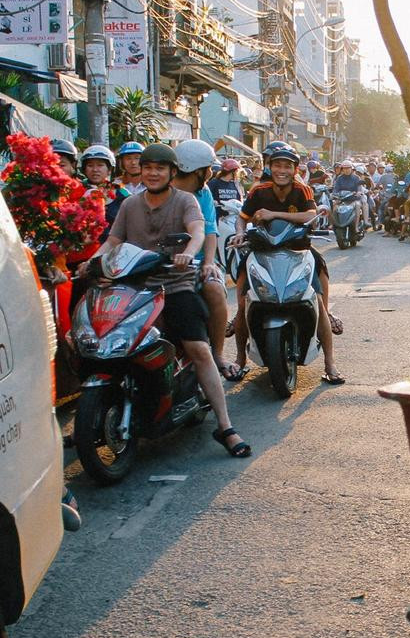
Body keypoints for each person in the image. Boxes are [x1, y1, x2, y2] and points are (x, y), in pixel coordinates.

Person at [83, 143, 250, 458]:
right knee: (99, 339)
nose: (153, 172)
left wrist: (190, 254)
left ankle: (225, 426)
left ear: (173, 172)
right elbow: (114, 240)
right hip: (133, 289)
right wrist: (92, 260)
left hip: (174, 287)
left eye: (160, 168)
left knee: (199, 350)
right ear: (139, 171)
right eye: (147, 167)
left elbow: (199, 230)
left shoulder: (186, 201)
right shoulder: (130, 205)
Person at [228, 141, 344, 384]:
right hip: (260, 253)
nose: (282, 170)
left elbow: (310, 216)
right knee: (242, 304)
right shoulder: (258, 191)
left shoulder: (302, 190)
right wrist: (239, 232)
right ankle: (239, 360)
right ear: (269, 166)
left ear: (295, 169)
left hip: (299, 251)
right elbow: (242, 218)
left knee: (320, 300)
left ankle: (330, 363)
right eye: (277, 165)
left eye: (287, 166)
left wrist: (274, 214)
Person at [169, 139, 241, 382]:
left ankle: (218, 354)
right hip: (163, 264)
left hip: (198, 260)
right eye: (209, 169)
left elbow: (210, 230)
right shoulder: (164, 189)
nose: (212, 173)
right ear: (197, 171)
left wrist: (209, 262)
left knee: (214, 288)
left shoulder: (204, 192)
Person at [79, 145, 127, 241]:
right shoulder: (76, 190)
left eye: (100, 165)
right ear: (84, 169)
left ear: (109, 169)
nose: (95, 169)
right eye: (90, 165)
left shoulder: (122, 194)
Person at [332, 160, 370, 226]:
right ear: (342, 169)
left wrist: (358, 192)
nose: (346, 170)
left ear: (351, 169)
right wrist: (335, 194)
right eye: (344, 168)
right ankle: (334, 223)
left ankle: (365, 221)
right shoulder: (339, 178)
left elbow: (359, 188)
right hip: (343, 199)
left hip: (354, 198)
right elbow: (335, 190)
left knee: (362, 203)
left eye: (348, 168)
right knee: (334, 205)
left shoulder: (356, 178)